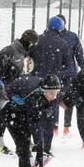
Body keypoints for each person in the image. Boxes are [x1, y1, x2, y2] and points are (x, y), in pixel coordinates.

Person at [1, 74, 62, 167]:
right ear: (43, 90)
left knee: (26, 136)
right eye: (52, 93)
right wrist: (39, 151)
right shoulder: (33, 95)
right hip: (8, 110)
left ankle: (24, 165)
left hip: (23, 108)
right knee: (21, 138)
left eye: (56, 93)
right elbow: (35, 124)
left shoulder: (50, 96)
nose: (54, 96)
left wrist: (41, 149)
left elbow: (45, 122)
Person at [29, 17, 72, 153]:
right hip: (53, 86)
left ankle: (35, 142)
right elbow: (70, 68)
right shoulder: (63, 44)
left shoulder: (37, 41)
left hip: (36, 84)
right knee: (49, 117)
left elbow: (28, 61)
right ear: (60, 28)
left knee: (35, 115)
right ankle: (45, 146)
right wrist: (60, 79)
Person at [55, 14, 84, 136]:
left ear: (65, 24)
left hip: (70, 73)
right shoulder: (51, 36)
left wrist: (83, 69)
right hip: (56, 73)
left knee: (69, 98)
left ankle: (66, 126)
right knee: (54, 98)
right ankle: (54, 126)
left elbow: (79, 54)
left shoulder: (72, 36)